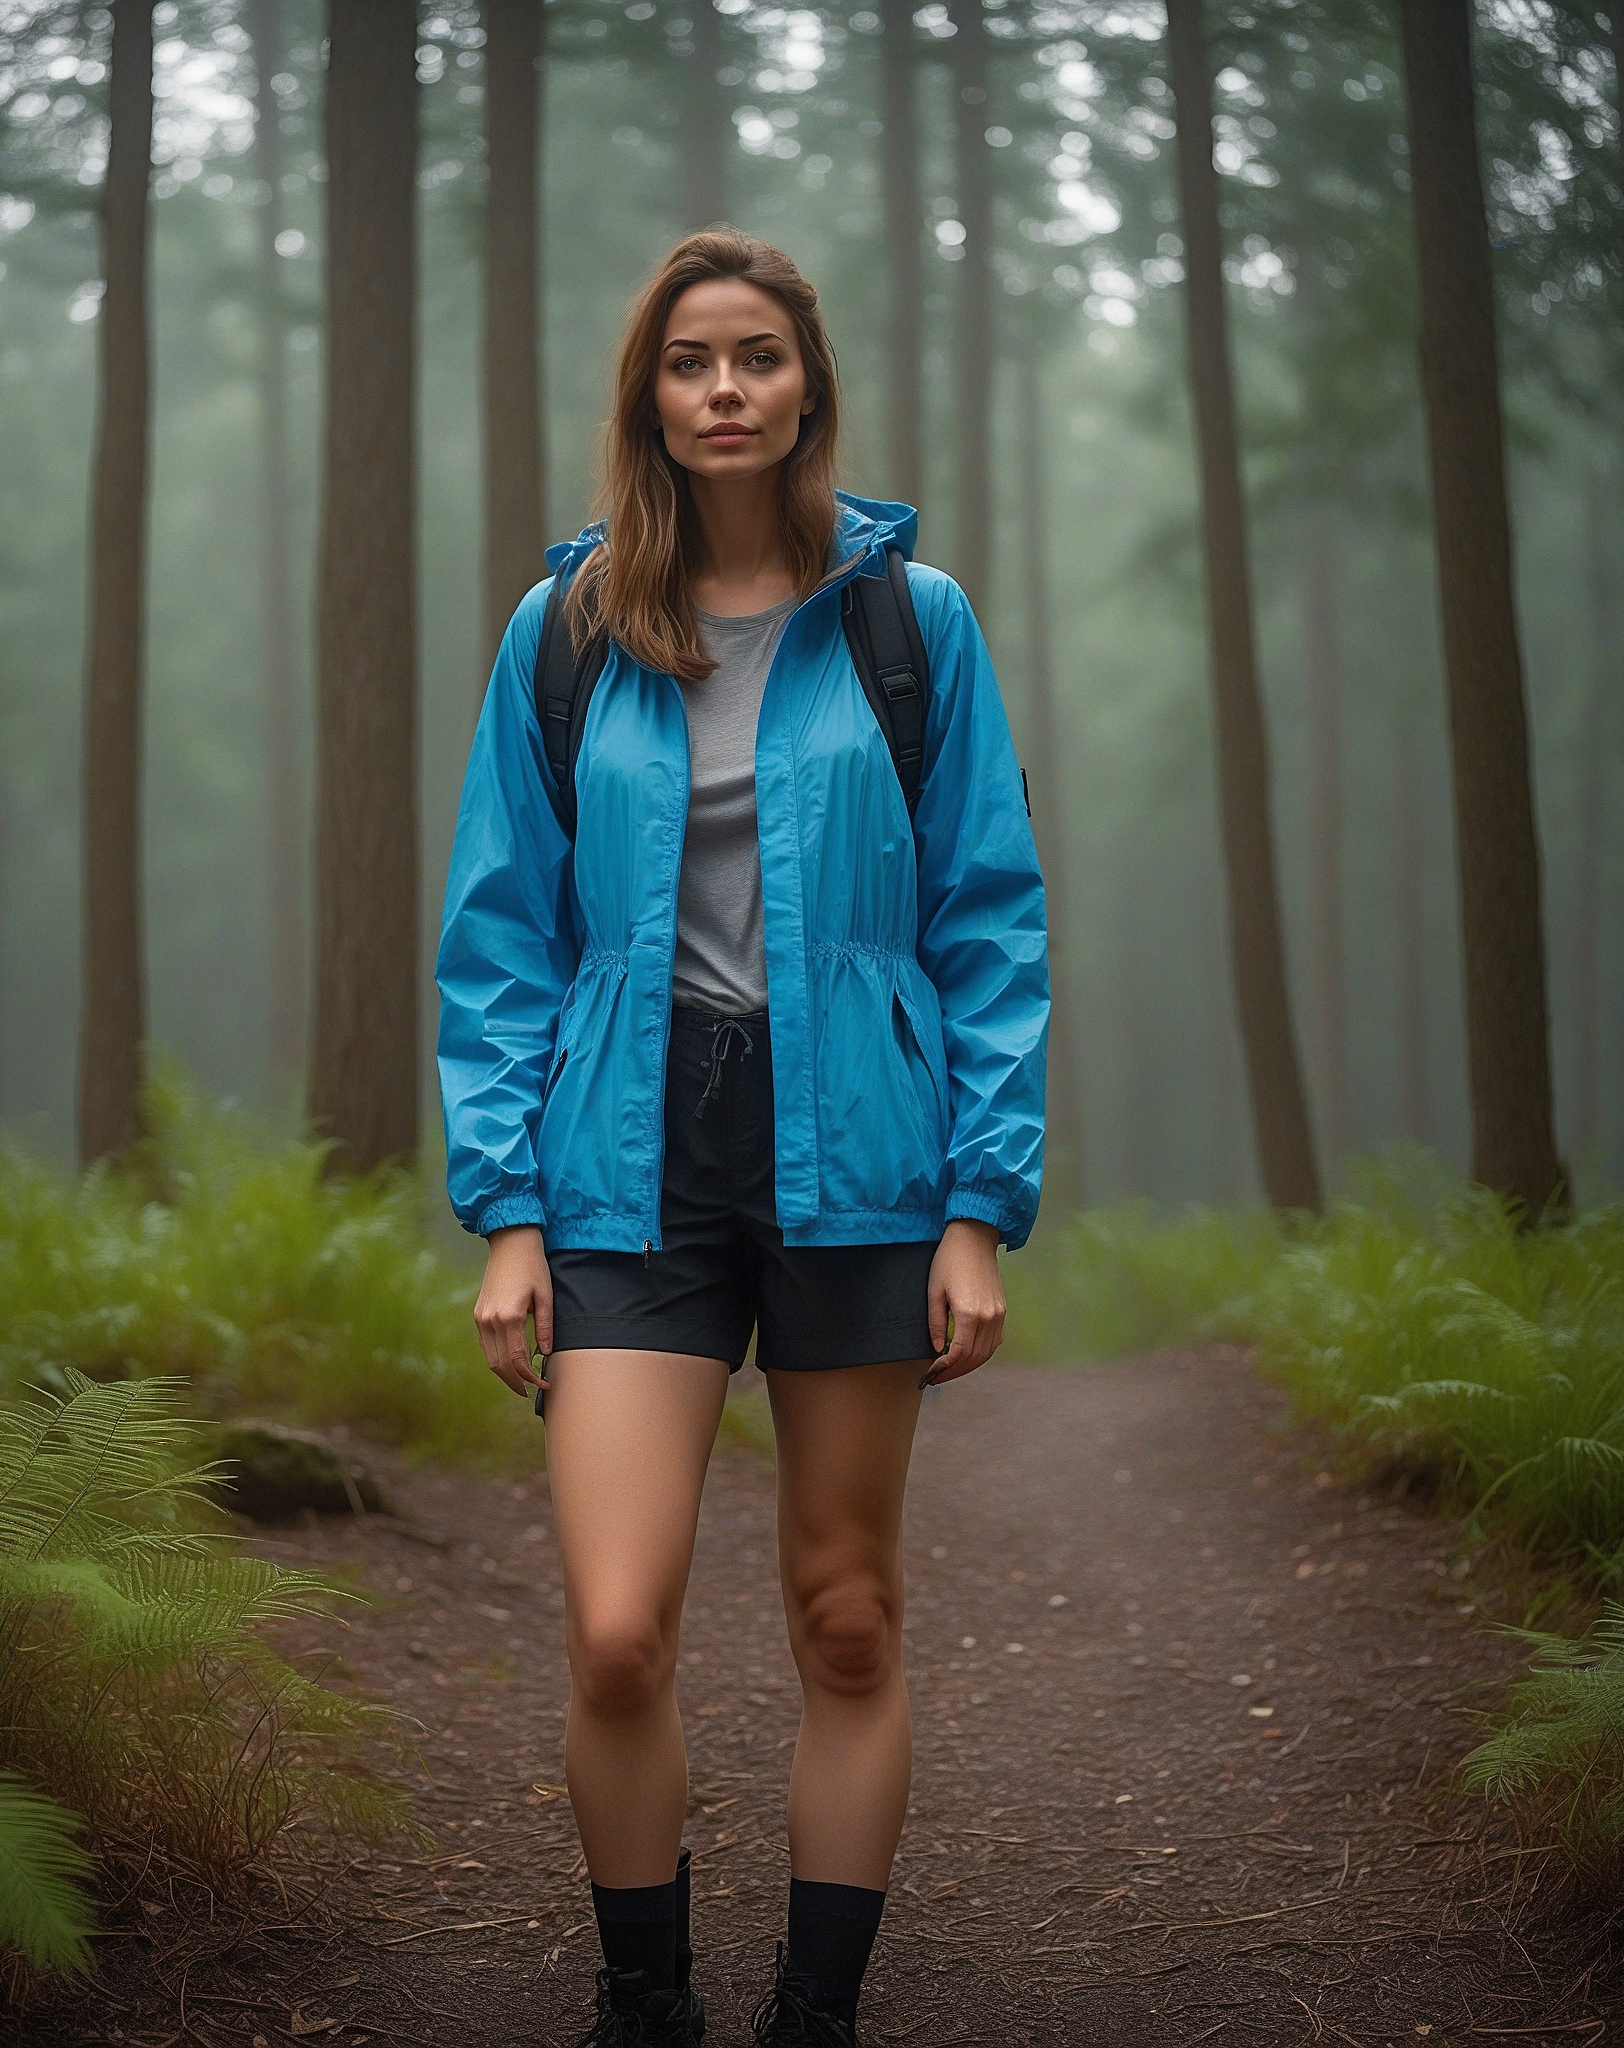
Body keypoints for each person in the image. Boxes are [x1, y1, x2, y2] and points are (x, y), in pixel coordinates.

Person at [436, 229, 1047, 2048]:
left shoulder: (909, 626)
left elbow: (990, 920)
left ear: (806, 388)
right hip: (632, 1153)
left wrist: (980, 1206)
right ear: (651, 397)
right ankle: (647, 2005)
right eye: (691, 361)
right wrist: (507, 1209)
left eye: (756, 358)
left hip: (864, 1148)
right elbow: (499, 936)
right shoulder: (565, 635)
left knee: (847, 1616)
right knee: (619, 1626)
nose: (724, 390)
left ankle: (816, 2016)